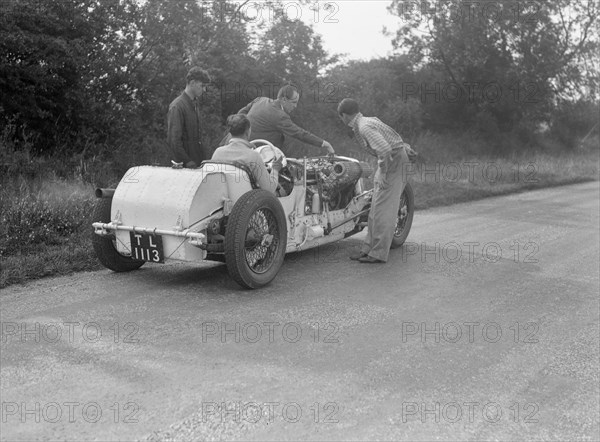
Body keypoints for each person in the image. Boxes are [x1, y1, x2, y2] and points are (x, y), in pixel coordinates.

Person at [337, 98, 412, 264]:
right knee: (375, 207)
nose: (342, 121)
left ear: (344, 115)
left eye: (341, 118)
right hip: (394, 159)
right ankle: (367, 248)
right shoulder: (368, 120)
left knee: (384, 210)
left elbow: (384, 149)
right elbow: (392, 137)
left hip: (394, 163)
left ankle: (378, 253)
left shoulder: (364, 126)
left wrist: (384, 173)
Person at [233, 85, 335, 156]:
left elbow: (241, 112)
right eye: (294, 102)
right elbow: (300, 134)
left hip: (233, 143)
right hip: (253, 153)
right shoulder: (280, 116)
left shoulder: (260, 99)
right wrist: (325, 144)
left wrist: (239, 130)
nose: (295, 106)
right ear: (284, 100)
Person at [211, 114, 281, 195]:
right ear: (248, 131)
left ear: (230, 132)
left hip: (222, 200)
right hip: (248, 203)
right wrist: (275, 170)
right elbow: (269, 189)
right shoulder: (253, 156)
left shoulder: (218, 152)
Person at [167, 67, 212, 168]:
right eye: (202, 86)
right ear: (192, 83)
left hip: (197, 163)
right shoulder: (177, 106)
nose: (204, 90)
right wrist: (187, 161)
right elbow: (174, 141)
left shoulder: (194, 104)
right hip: (184, 167)